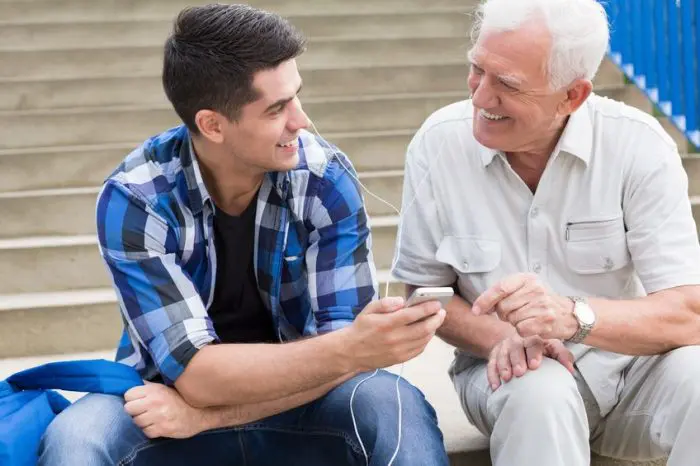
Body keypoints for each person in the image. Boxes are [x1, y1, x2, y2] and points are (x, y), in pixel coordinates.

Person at [38, 4, 450, 466]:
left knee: (392, 406)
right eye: (277, 109)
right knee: (77, 436)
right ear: (212, 124)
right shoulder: (136, 199)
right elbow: (196, 376)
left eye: (296, 97)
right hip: (162, 400)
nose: (302, 121)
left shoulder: (323, 177)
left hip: (304, 399)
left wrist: (208, 418)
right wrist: (348, 349)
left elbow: (349, 360)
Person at [391, 0, 700, 465]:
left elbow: (687, 313)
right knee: (540, 391)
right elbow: (424, 291)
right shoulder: (438, 143)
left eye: (507, 85)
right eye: (477, 69)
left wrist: (575, 317)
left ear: (572, 96)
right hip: (507, 375)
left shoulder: (639, 145)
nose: (479, 97)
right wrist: (502, 338)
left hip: (633, 370)